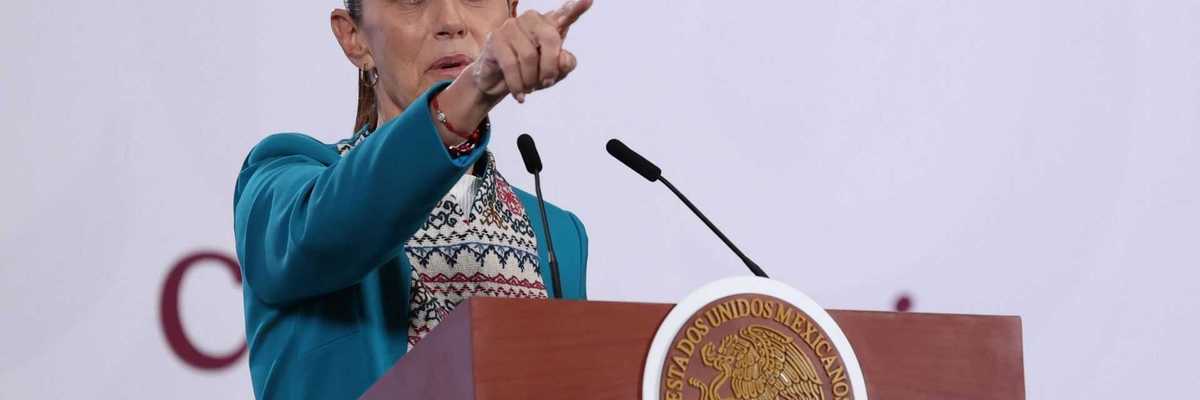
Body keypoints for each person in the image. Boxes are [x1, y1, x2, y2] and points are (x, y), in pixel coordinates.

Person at [232, 0, 593, 398]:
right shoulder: (284, 184)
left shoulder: (557, 233)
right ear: (354, 37)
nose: (450, 22)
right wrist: (472, 89)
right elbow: (332, 228)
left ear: (510, 13)